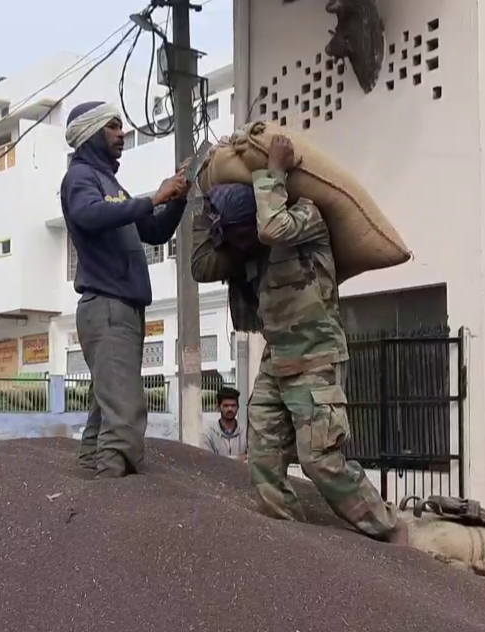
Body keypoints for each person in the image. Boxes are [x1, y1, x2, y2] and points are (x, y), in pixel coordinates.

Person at [190, 134, 406, 544]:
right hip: (277, 360)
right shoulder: (248, 243)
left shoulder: (306, 217)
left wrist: (274, 170)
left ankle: (389, 531)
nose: (238, 244)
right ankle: (294, 547)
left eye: (239, 234)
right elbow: (202, 265)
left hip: (315, 357)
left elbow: (272, 227)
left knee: (320, 459)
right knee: (264, 460)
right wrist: (200, 197)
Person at [60, 101, 190, 479]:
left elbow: (153, 231)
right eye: (113, 127)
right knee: (125, 415)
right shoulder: (81, 177)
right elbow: (88, 214)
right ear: (90, 133)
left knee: (108, 409)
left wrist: (177, 197)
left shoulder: (111, 185)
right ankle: (111, 505)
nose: (122, 134)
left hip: (123, 308)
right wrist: (153, 198)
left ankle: (88, 483)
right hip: (107, 306)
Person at [200, 386, 247, 460]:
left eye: (233, 405)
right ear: (218, 407)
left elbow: (252, 460)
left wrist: (219, 459)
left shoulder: (246, 432)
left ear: (238, 407)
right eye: (226, 406)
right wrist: (238, 458)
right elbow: (207, 461)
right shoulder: (208, 433)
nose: (230, 409)